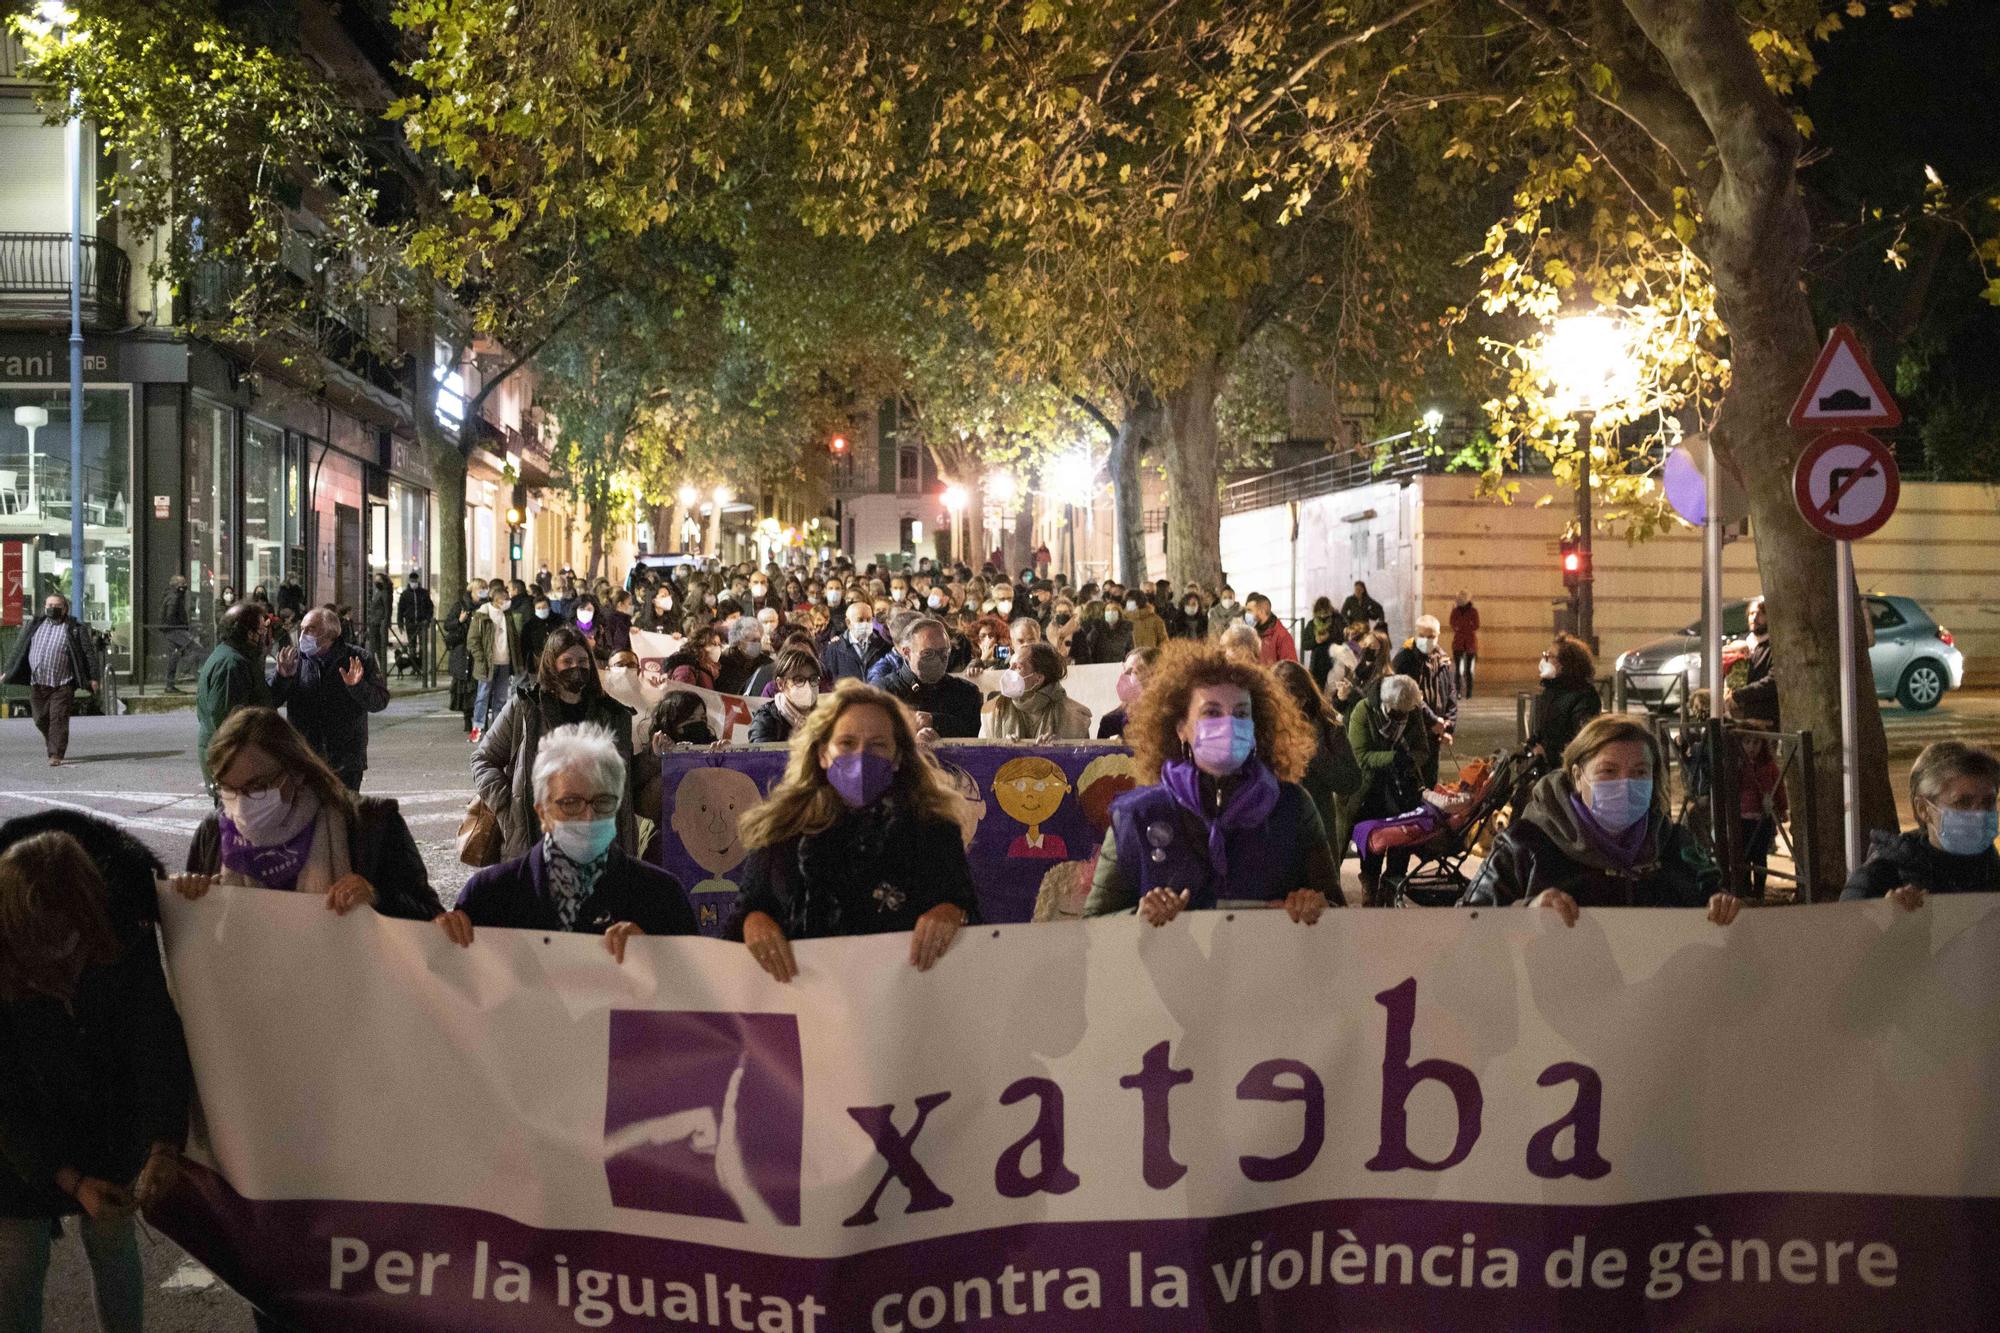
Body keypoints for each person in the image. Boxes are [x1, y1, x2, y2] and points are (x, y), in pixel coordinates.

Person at [0, 828, 192, 1333]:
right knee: (18, 1259)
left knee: (112, 1242)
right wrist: (69, 1179)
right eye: (43, 953)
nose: (61, 964)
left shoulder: (122, 927)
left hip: (107, 1119)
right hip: (17, 1143)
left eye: (72, 943)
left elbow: (155, 1039)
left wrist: (161, 1145)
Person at [727, 683, 978, 982]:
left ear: (898, 757)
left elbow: (968, 910)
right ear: (822, 753)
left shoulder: (933, 828)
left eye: (877, 745)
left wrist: (951, 913)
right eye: (846, 743)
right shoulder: (782, 827)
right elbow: (747, 910)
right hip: (803, 1001)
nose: (861, 756)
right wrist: (754, 924)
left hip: (904, 1002)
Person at [1084, 640, 1337, 924]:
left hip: (1265, 966)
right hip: (1168, 967)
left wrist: (1314, 906)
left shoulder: (1292, 807)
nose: (1229, 724)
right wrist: (1138, 916)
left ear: (1256, 726)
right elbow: (1094, 923)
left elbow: (1337, 909)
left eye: (1241, 713)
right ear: (1181, 728)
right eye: (1212, 712)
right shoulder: (1136, 815)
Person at [439, 724, 697, 960]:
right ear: (542, 813)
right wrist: (435, 942)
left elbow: (698, 998)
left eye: (603, 801)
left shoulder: (662, 897)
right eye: (571, 803)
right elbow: (453, 995)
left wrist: (657, 958)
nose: (588, 816)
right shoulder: (489, 896)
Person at [175, 707, 443, 927]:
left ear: (296, 771)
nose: (241, 803)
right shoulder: (213, 835)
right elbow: (196, 941)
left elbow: (431, 918)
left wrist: (377, 897)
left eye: (257, 787)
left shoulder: (369, 824)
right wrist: (189, 896)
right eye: (229, 789)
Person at [1464, 716, 1740, 925]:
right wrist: (1526, 913)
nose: (1625, 783)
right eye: (1608, 770)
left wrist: (1722, 906)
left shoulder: (1674, 844)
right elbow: (1464, 924)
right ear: (1576, 776)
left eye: (1640, 771)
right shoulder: (1523, 845)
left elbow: (1719, 900)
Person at [474, 628, 639, 861]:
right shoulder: (525, 708)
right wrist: (508, 804)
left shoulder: (612, 714)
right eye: (567, 661)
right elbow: (483, 759)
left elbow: (627, 775)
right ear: (552, 664)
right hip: (539, 832)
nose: (576, 668)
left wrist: (656, 756)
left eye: (582, 661)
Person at [1843, 741, 2000, 906]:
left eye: (1988, 801)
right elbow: (1842, 924)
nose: (1980, 813)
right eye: (1963, 802)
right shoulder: (1880, 875)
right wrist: (1882, 914)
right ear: (1923, 809)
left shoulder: (1991, 869)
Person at [267, 606, 389, 791]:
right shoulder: (295, 660)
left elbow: (379, 701)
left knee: (343, 815)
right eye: (303, 629)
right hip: (305, 757)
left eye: (311, 629)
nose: (303, 635)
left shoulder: (358, 659)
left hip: (345, 759)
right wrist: (282, 677)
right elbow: (270, 700)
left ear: (330, 634)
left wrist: (357, 686)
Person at [1339, 674, 1428, 906]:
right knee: (1373, 845)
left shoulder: (1412, 710)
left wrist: (1410, 762)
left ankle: (1391, 890)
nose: (1401, 718)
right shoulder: (1364, 711)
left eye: (1405, 713)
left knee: (1401, 842)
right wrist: (1393, 758)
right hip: (1369, 790)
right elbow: (1360, 755)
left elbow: (1422, 748)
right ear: (1385, 704)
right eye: (1396, 713)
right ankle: (1370, 888)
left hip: (1403, 790)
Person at [1273, 660, 1362, 866]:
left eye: (1283, 701)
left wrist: (1315, 753)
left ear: (1302, 700)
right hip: (1275, 836)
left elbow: (1351, 781)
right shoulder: (1262, 731)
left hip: (1316, 834)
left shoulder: (1329, 728)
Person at [3, 593, 98, 767]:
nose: (52, 609)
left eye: (56, 606)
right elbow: (19, 649)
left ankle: (56, 753)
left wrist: (93, 677)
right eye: (49, 605)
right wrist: (7, 672)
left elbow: (88, 654)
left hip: (62, 683)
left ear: (65, 609)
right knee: (40, 718)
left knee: (58, 718)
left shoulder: (75, 628)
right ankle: (53, 739)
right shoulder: (34, 625)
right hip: (38, 682)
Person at [194, 602, 276, 796]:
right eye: (261, 630)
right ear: (249, 634)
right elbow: (227, 719)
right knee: (232, 820)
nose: (265, 635)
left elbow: (258, 699)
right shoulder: (231, 663)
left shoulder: (238, 658)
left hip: (234, 759)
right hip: (231, 761)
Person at [878, 616, 983, 740]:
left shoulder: (966, 692)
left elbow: (975, 736)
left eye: (944, 652)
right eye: (928, 653)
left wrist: (934, 721)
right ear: (907, 652)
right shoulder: (883, 693)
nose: (938, 660)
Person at [1391, 614, 1459, 787]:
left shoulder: (1442, 659)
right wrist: (1432, 721)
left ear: (1438, 635)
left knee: (1430, 781)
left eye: (1431, 636)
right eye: (1422, 636)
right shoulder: (1404, 659)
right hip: (1412, 733)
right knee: (1412, 782)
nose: (1426, 640)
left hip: (1435, 732)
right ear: (1415, 634)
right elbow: (1411, 696)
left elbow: (1450, 692)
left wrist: (1448, 726)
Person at [983, 641, 1090, 740]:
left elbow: (1081, 759)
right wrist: (1000, 750)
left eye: (1018, 667)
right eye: (1010, 666)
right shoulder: (993, 711)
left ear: (1038, 679)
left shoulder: (1075, 718)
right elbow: (979, 756)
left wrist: (1062, 749)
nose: (1009, 672)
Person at [1530, 634, 1603, 768]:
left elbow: (1583, 740)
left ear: (1566, 663)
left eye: (1549, 656)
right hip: (1546, 769)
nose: (1544, 660)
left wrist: (1549, 754)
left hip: (1565, 771)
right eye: (1544, 654)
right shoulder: (1551, 690)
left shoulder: (1584, 696)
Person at [468, 580, 520, 744]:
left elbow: (513, 638)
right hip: (487, 664)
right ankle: (477, 729)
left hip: (504, 662)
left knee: (500, 699)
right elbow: (473, 640)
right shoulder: (482, 615)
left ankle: (497, 731)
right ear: (496, 600)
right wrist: (481, 659)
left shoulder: (507, 615)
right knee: (482, 697)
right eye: (504, 599)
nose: (507, 602)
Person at [747, 648, 824, 744]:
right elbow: (762, 758)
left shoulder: (825, 717)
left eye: (813, 679)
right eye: (799, 680)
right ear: (781, 684)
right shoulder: (766, 722)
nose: (807, 686)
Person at [1726, 595, 1779, 728]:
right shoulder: (1743, 641)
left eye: (1760, 613)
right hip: (1735, 715)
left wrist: (1739, 696)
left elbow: (1771, 682)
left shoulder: (1774, 646)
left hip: (1761, 716)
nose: (1754, 618)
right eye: (1751, 613)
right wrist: (1730, 648)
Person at [442, 580, 479, 735]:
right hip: (462, 652)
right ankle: (467, 719)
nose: (483, 592)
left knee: (476, 687)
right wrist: (460, 620)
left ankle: (476, 719)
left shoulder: (484, 607)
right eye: (480, 589)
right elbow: (447, 625)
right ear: (472, 591)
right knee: (464, 686)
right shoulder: (460, 606)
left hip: (476, 652)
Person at [1097, 647, 1159, 740]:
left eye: (1135, 671)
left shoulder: (1172, 719)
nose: (1125, 676)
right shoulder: (1111, 722)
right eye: (1125, 669)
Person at [823, 602, 890, 682]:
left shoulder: (882, 645)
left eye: (869, 620)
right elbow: (830, 679)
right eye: (860, 620)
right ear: (848, 623)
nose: (865, 624)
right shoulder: (835, 648)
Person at [159, 574, 201, 693]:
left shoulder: (170, 595)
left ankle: (169, 684)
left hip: (172, 630)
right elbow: (170, 615)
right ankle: (185, 672)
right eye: (182, 584)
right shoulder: (174, 597)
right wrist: (180, 626)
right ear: (175, 585)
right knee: (197, 649)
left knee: (173, 657)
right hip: (176, 630)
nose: (184, 586)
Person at [713, 615, 768, 695]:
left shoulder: (765, 663)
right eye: (753, 640)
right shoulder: (724, 662)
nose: (757, 644)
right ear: (739, 642)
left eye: (759, 640)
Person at [395, 571, 434, 680]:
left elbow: (430, 607)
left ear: (418, 581)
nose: (414, 583)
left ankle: (422, 667)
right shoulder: (405, 594)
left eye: (415, 581)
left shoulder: (424, 593)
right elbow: (400, 610)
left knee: (423, 646)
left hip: (422, 623)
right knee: (411, 647)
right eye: (412, 581)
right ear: (409, 581)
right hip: (410, 623)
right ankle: (414, 667)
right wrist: (400, 623)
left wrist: (428, 619)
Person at [1244, 593, 1298, 664]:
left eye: (1249, 610)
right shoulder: (1251, 634)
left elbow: (1290, 668)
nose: (1246, 614)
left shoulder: (1282, 636)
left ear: (1261, 612)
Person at [1300, 596, 1340, 691]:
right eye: (1320, 612)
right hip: (1316, 665)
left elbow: (1342, 640)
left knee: (1332, 691)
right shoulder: (1311, 624)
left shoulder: (1336, 622)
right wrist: (1316, 641)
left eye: (1325, 612)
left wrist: (1329, 638)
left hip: (1333, 662)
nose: (1322, 615)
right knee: (1316, 690)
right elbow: (1304, 644)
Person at [1449, 591, 1480, 699]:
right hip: (1459, 643)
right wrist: (1464, 626)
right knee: (1458, 669)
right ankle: (1458, 691)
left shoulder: (1473, 611)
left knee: (1469, 670)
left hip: (1470, 644)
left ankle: (1469, 692)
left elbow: (1476, 625)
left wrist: (1461, 626)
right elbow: (1453, 623)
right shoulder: (1455, 611)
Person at [365, 572, 393, 667]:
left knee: (377, 647)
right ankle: (376, 667)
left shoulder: (384, 592)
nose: (376, 582)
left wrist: (385, 622)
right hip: (374, 622)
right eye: (375, 579)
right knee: (374, 647)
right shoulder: (378, 592)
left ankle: (379, 668)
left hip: (378, 623)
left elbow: (387, 609)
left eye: (378, 580)